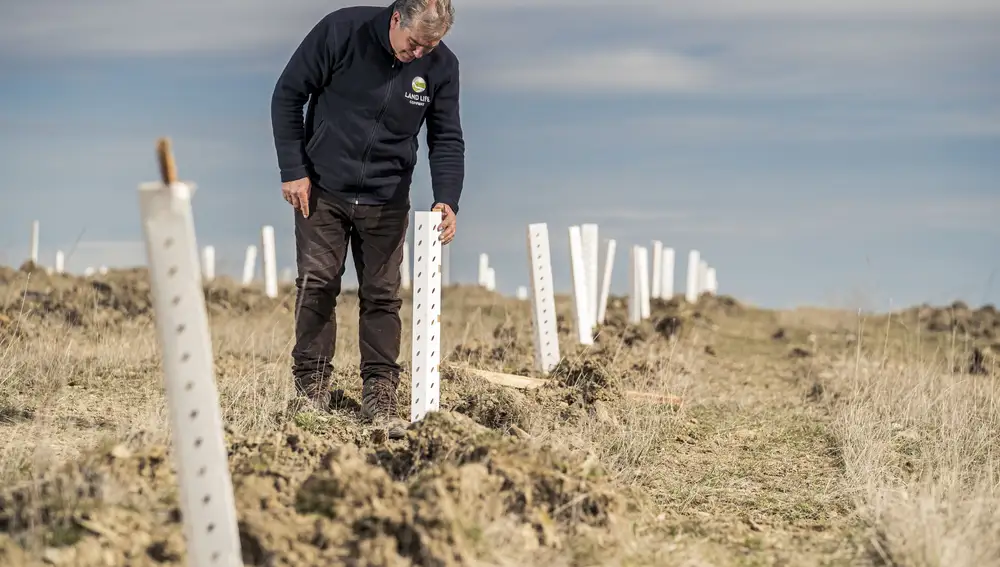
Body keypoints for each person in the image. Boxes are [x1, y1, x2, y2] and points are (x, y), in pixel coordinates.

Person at [270, 0, 464, 438]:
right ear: (397, 19)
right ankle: (311, 389)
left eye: (429, 48)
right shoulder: (342, 30)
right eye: (414, 44)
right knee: (318, 282)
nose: (419, 55)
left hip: (387, 197)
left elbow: (446, 136)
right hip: (322, 188)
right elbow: (288, 94)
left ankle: (379, 394)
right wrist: (293, 170)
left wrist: (447, 199)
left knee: (381, 295)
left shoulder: (442, 66)